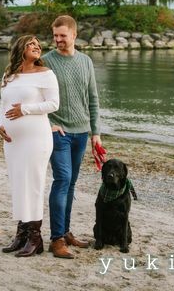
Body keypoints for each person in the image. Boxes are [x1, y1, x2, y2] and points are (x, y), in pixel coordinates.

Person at [42, 15, 102, 259]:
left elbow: (93, 98)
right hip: (59, 133)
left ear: (74, 35)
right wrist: (48, 124)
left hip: (81, 133)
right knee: (62, 179)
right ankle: (56, 239)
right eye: (55, 35)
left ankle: (66, 232)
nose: (58, 39)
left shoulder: (86, 61)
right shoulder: (46, 62)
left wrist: (96, 133)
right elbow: (35, 97)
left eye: (62, 35)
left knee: (71, 183)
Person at [0, 35, 59, 257]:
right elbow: (3, 105)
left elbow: (53, 104)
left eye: (38, 45)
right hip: (13, 142)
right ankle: (21, 235)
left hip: (36, 139)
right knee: (18, 185)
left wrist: (25, 109)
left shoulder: (46, 74)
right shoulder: (9, 76)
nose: (37, 47)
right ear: (21, 48)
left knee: (33, 185)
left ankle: (35, 238)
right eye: (31, 44)